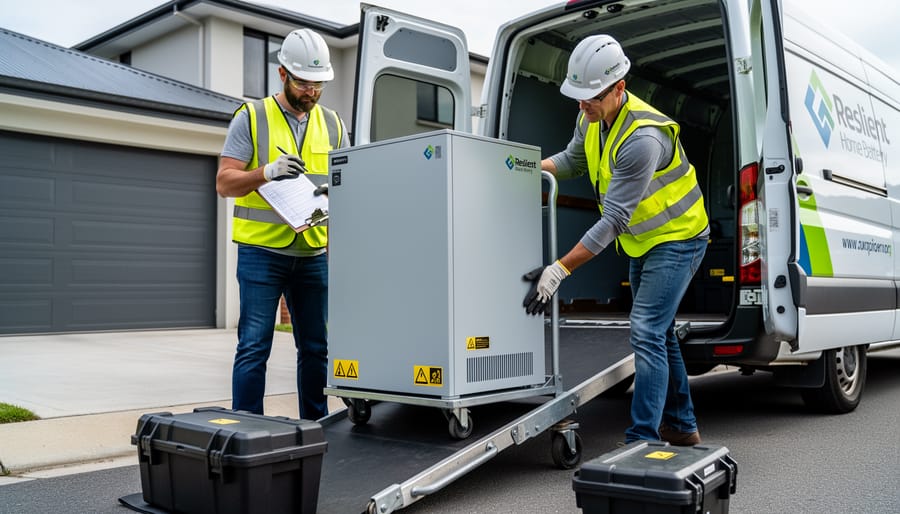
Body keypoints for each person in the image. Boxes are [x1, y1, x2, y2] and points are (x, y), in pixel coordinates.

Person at [523, 35, 709, 446]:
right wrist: (524, 171)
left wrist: (560, 269)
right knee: (658, 332)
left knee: (645, 330)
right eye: (578, 96)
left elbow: (613, 221)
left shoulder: (643, 139)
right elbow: (574, 158)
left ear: (619, 87)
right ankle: (682, 424)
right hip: (644, 241)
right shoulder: (590, 117)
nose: (582, 104)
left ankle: (643, 439)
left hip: (679, 238)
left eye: (591, 96)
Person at [216, 28, 349, 420]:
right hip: (261, 254)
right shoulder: (252, 117)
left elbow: (349, 187)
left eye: (319, 84)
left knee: (315, 347)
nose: (311, 92)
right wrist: (266, 173)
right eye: (304, 83)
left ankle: (315, 427)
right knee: (254, 346)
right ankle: (248, 431)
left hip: (312, 254)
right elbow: (224, 183)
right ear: (282, 75)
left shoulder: (335, 125)